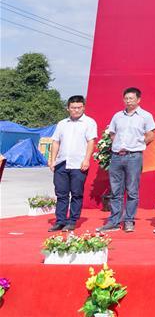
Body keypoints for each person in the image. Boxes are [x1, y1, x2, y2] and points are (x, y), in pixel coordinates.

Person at [98, 87, 155, 233]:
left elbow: (150, 135)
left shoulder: (145, 116)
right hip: (117, 157)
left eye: (132, 98)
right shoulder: (117, 116)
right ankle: (114, 221)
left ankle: (129, 220)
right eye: (126, 98)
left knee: (132, 190)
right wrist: (119, 146)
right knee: (116, 190)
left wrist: (137, 146)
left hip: (134, 157)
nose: (129, 101)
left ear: (138, 99)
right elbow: (112, 134)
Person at [48, 95, 97, 232]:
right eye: (73, 108)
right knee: (61, 194)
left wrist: (87, 159)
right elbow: (56, 141)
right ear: (68, 108)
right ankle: (60, 220)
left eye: (79, 107)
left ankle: (72, 220)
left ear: (83, 107)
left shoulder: (89, 122)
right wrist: (52, 160)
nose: (76, 110)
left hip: (79, 164)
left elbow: (91, 141)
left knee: (76, 193)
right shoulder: (62, 123)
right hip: (62, 163)